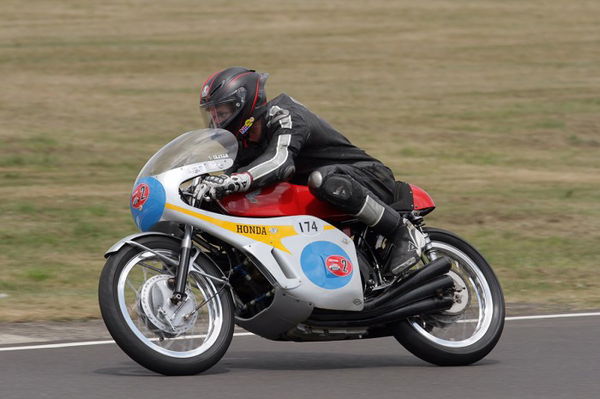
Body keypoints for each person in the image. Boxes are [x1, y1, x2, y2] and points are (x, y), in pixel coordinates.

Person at [197, 67, 419, 275]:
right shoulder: (242, 140)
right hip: (321, 197)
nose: (216, 122)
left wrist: (238, 179)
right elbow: (231, 177)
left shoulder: (285, 115)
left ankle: (401, 233)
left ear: (243, 106)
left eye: (222, 113)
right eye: (212, 115)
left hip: (368, 178)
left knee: (324, 180)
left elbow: (280, 161)